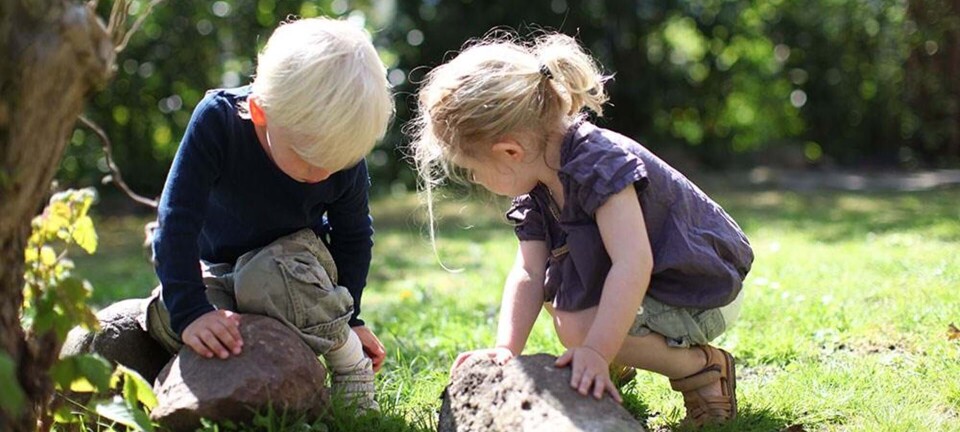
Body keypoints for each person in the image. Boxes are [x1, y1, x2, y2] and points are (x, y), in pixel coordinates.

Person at [408, 32, 754, 427]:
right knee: (559, 297)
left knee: (577, 326)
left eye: (473, 169)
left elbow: (633, 262)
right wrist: (506, 349)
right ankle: (619, 353)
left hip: (700, 290)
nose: (474, 178)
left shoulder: (596, 165)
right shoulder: (538, 180)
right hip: (657, 287)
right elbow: (529, 272)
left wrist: (596, 349)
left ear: (510, 152)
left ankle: (701, 368)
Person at [144, 17, 393, 410]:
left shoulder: (338, 151)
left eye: (337, 164)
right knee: (164, 314)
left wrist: (350, 320)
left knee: (264, 279)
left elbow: (354, 236)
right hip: (220, 268)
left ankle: (348, 360)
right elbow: (176, 219)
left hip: (293, 274)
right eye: (309, 160)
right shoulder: (218, 122)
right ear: (261, 113)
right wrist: (191, 313)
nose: (322, 175)